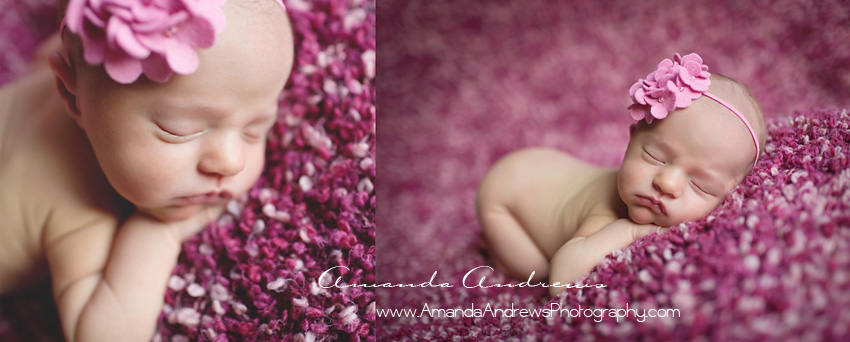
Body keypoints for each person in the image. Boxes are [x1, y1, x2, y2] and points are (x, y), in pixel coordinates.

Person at [0, 0, 294, 340]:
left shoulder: (72, 73)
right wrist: (159, 233)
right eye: (178, 130)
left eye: (256, 127)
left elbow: (56, 47)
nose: (231, 162)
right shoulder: (78, 209)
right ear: (70, 92)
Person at [476, 53, 767, 296]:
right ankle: (498, 251)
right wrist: (629, 230)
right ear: (630, 140)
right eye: (654, 156)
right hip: (504, 194)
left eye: (700, 184)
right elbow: (561, 281)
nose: (666, 183)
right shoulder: (605, 209)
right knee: (536, 269)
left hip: (540, 169)